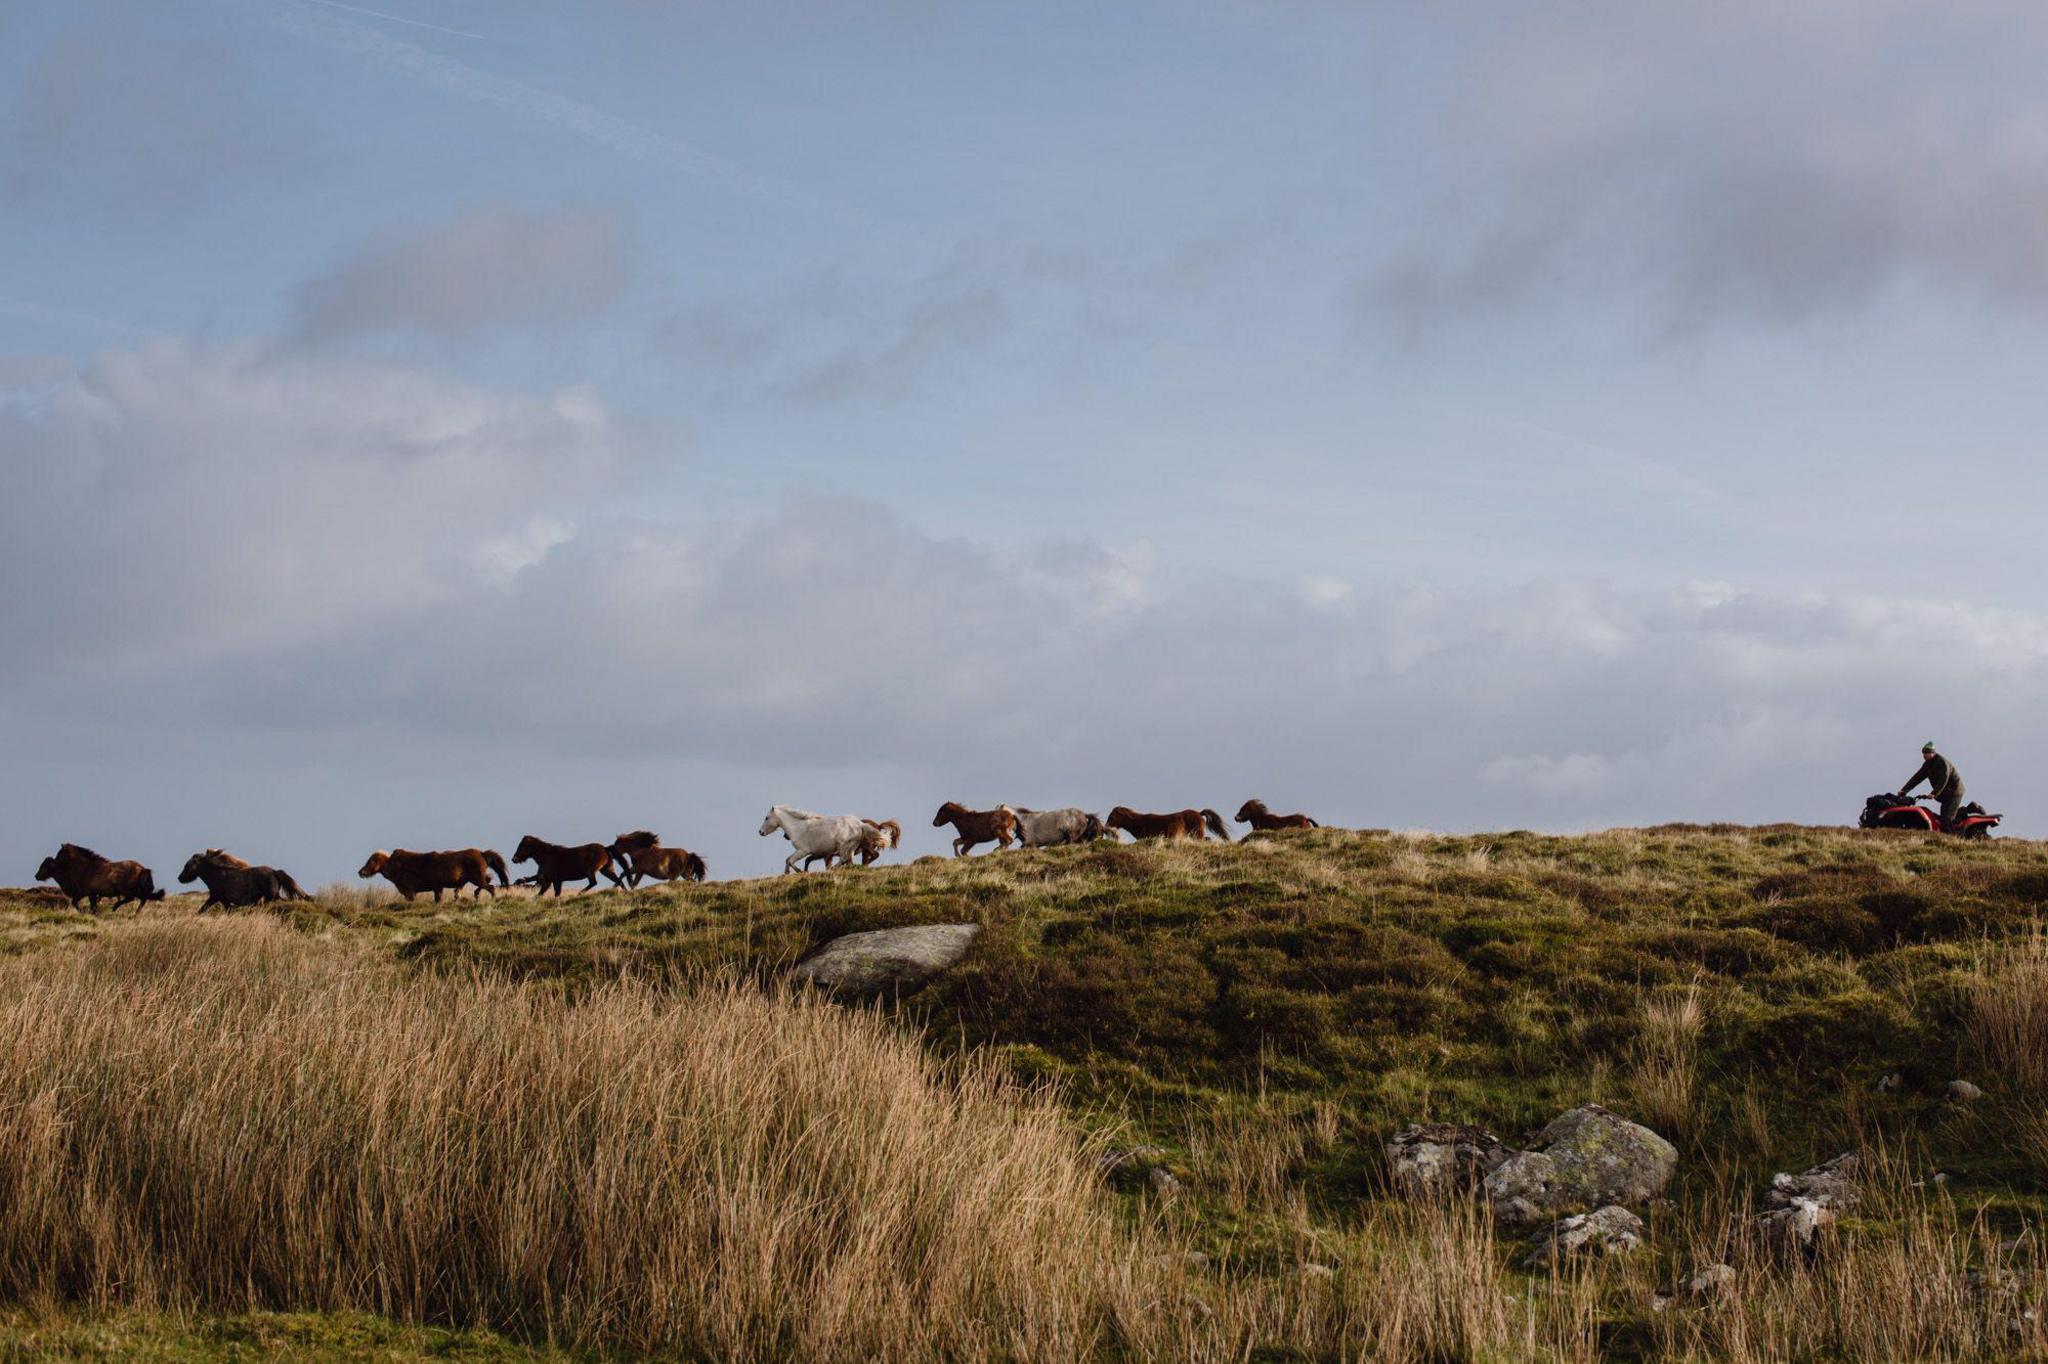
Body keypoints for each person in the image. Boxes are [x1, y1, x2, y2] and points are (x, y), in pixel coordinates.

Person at [1899, 741, 1964, 830]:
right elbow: (1916, 778)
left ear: (1932, 753)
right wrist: (1904, 790)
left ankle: (1950, 838)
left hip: (1954, 792)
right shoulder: (1927, 765)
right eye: (1923, 753)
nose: (1924, 755)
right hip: (1945, 793)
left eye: (1926, 753)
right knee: (1943, 816)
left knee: (1946, 820)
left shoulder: (1941, 762)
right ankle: (1966, 810)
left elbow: (1943, 779)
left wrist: (1934, 793)